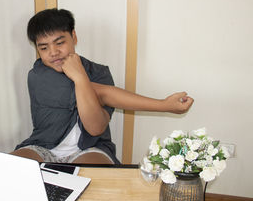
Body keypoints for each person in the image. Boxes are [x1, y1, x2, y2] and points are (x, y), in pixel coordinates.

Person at [12, 8, 193, 164]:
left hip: (92, 147)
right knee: (9, 168)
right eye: (43, 48)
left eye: (59, 43)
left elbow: (96, 128)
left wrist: (81, 77)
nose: (53, 52)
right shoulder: (38, 75)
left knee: (94, 175)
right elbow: (104, 94)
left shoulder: (100, 73)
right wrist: (164, 105)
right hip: (44, 146)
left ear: (74, 37)